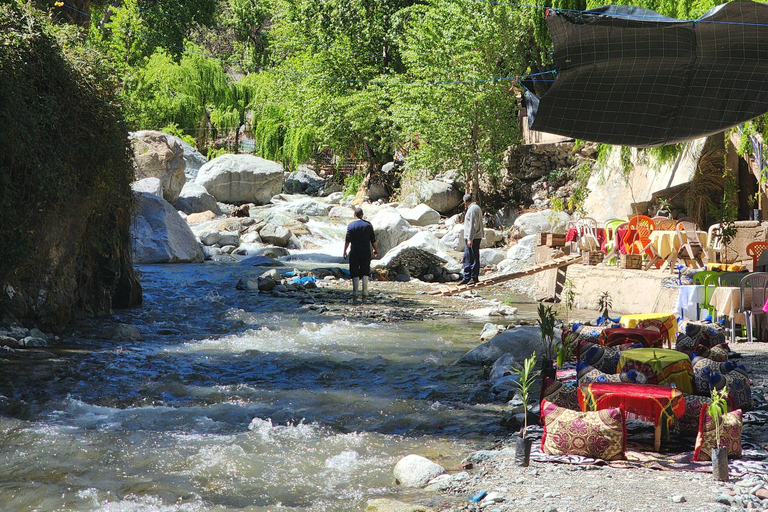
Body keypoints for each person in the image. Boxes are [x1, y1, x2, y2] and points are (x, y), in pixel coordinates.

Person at [342, 207, 379, 302]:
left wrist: (344, 251)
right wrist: (375, 249)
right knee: (365, 270)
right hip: (366, 251)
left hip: (354, 251)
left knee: (354, 270)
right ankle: (365, 292)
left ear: (354, 215)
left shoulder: (351, 226)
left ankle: (355, 292)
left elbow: (347, 240)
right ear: (362, 215)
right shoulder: (368, 225)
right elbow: (373, 239)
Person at [461, 193, 484, 285]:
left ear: (465, 202)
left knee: (471, 257)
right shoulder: (475, 208)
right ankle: (469, 277)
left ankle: (471, 277)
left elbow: (473, 225)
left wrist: (470, 238)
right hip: (474, 236)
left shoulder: (473, 209)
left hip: (473, 237)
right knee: (471, 256)